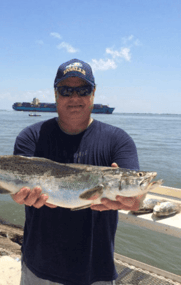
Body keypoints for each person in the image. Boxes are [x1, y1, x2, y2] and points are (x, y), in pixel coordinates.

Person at [12, 59, 144, 285]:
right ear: (56, 94)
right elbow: (14, 184)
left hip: (96, 269)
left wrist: (133, 201)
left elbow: (138, 195)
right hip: (38, 267)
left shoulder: (118, 141)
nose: (74, 98)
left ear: (93, 93)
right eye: (66, 90)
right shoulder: (31, 137)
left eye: (82, 90)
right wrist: (17, 194)